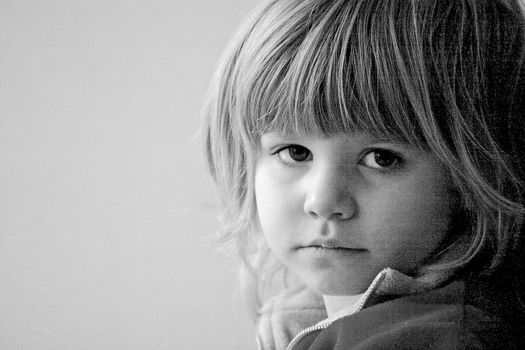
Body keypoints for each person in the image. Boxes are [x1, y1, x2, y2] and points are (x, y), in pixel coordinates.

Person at [202, 0, 525, 348]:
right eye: (295, 153)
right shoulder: (302, 316)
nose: (323, 201)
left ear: (475, 170)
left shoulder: (439, 340)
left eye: (381, 158)